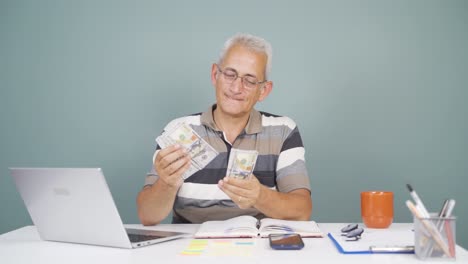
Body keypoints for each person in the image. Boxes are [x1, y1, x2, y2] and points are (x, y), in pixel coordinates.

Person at [137, 33, 312, 225]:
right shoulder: (179, 130)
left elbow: (302, 211)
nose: (236, 88)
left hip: (257, 248)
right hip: (191, 248)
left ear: (263, 90)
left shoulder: (283, 130)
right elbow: (147, 216)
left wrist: (260, 196)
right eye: (230, 74)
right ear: (215, 75)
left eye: (250, 80)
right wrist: (167, 183)